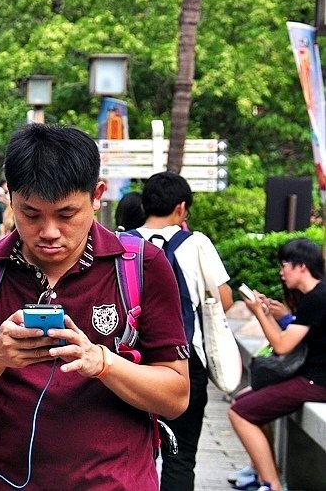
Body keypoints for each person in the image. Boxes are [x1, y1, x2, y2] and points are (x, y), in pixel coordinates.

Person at [0, 123, 190, 490]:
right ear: (9, 196)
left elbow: (177, 396)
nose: (49, 231)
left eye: (67, 214)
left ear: (97, 195)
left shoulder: (142, 266)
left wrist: (103, 363)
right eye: (31, 214)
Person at [133, 171, 233, 491]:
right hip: (184, 362)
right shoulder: (197, 243)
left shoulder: (123, 242)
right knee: (180, 455)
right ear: (181, 208)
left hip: (132, 364)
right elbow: (224, 299)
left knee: (136, 452)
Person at [229, 238, 326, 491]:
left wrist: (259, 313)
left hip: (316, 382)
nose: (282, 272)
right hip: (309, 377)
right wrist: (266, 313)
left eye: (285, 265)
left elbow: (282, 347)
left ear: (301, 266)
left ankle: (272, 484)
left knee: (239, 413)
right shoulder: (313, 297)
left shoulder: (317, 298)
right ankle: (262, 471)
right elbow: (283, 340)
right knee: (243, 401)